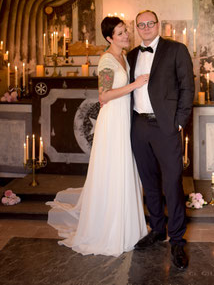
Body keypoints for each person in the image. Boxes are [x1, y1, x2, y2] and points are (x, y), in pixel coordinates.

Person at [47, 16, 149, 256]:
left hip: (124, 120)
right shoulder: (106, 61)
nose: (126, 36)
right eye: (121, 33)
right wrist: (135, 84)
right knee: (114, 170)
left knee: (124, 169)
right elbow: (103, 96)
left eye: (125, 31)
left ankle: (129, 227)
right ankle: (109, 230)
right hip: (112, 122)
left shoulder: (123, 56)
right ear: (109, 38)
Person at [127, 10, 195, 270]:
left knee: (172, 182)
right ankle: (157, 229)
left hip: (166, 125)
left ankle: (177, 239)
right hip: (139, 125)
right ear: (137, 28)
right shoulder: (131, 55)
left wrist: (179, 121)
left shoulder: (176, 50)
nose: (145, 27)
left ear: (158, 25)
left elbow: (187, 86)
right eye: (141, 24)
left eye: (150, 23)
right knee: (149, 181)